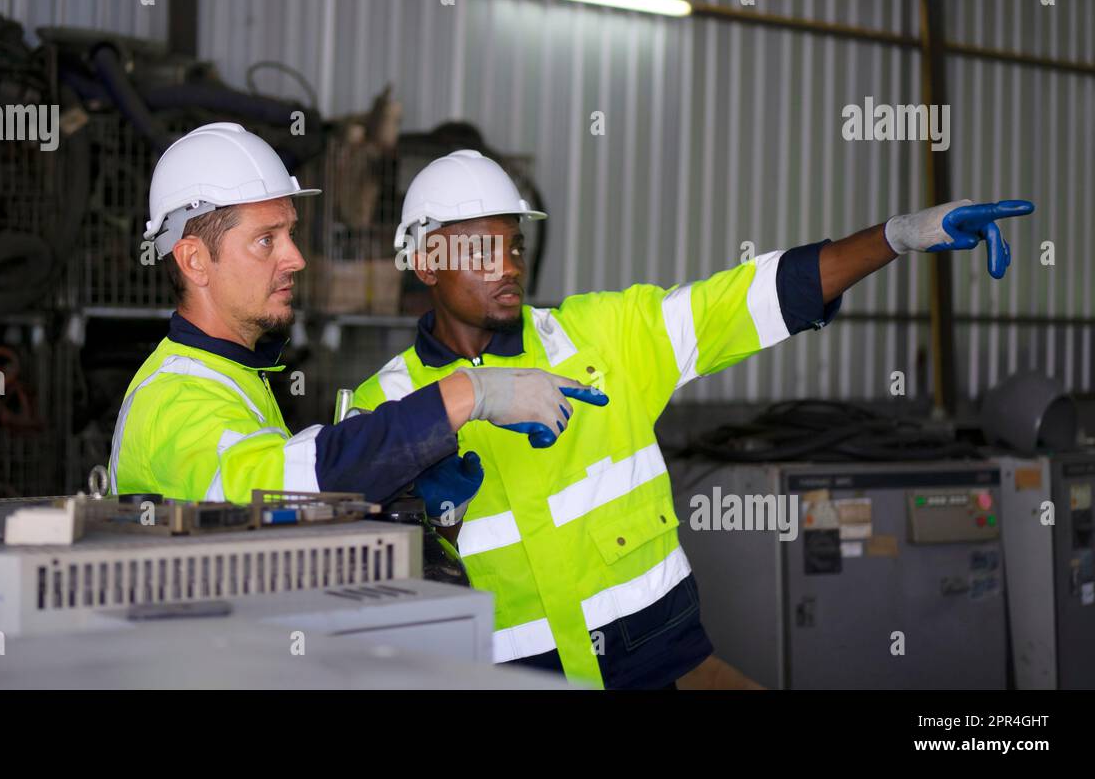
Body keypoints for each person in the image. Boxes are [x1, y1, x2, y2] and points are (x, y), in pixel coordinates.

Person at [353, 148, 1033, 689]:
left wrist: (896, 237)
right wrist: (432, 522)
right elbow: (368, 594)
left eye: (512, 244)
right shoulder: (382, 408)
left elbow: (742, 299)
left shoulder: (603, 337)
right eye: (477, 250)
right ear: (423, 261)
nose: (505, 265)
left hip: (664, 666)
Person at [108, 124, 605, 505]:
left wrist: (400, 483)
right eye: (266, 240)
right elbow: (285, 491)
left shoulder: (234, 374)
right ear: (195, 260)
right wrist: (469, 392)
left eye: (289, 233)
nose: (296, 258)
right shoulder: (177, 399)